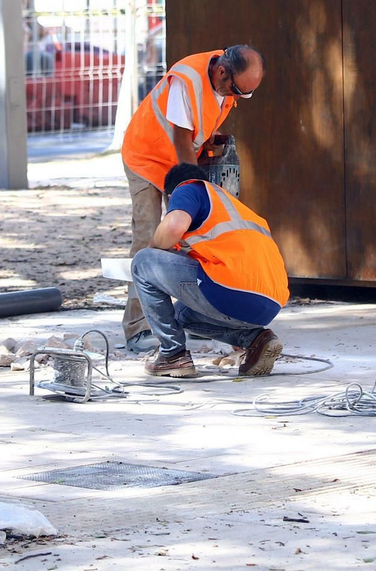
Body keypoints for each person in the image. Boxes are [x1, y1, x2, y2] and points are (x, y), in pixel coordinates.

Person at [119, 44, 264, 351]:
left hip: (175, 160)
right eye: (236, 90)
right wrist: (197, 192)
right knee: (149, 236)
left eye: (245, 94)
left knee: (191, 238)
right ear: (222, 72)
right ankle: (137, 327)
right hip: (146, 158)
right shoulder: (186, 79)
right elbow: (181, 138)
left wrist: (210, 138)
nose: (237, 97)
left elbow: (199, 123)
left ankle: (192, 316)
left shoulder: (225, 83)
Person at [130, 162, 288, 378]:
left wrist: (152, 250)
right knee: (181, 316)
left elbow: (174, 226)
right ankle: (256, 339)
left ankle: (172, 355)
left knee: (142, 262)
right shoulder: (230, 205)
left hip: (233, 290)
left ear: (170, 194)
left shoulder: (188, 188)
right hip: (269, 304)